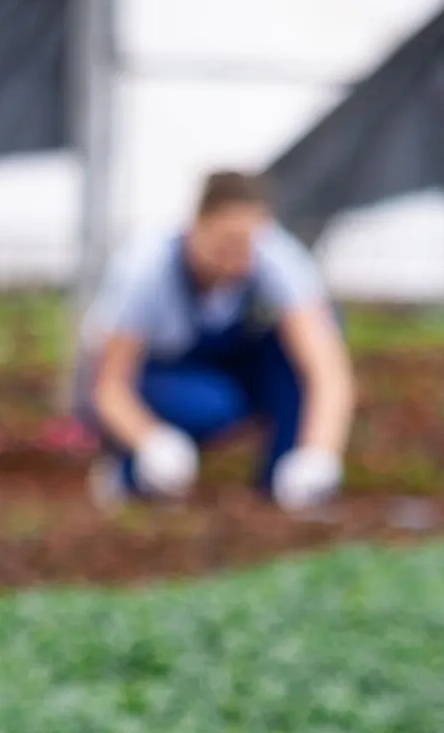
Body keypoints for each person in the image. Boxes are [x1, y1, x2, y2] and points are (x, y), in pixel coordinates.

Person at [80, 170, 359, 510]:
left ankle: (284, 486)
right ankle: (130, 475)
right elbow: (109, 386)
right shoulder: (145, 268)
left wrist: (320, 453)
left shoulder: (278, 258)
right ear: (196, 225)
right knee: (211, 405)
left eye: (247, 244)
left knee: (293, 354)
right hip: (159, 375)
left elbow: (327, 372)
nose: (236, 257)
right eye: (225, 243)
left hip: (229, 367)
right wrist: (151, 441)